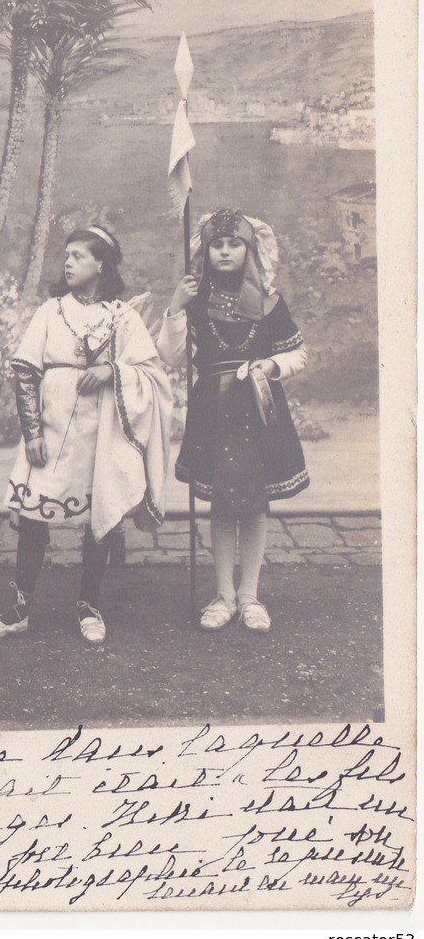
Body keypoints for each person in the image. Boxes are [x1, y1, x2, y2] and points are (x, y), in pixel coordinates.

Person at [0, 225, 173, 646]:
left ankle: (88, 605)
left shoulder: (121, 316)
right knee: (33, 518)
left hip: (99, 435)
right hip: (51, 427)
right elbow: (25, 372)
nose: (68, 262)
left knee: (97, 519)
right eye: (67, 255)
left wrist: (112, 370)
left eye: (79, 255)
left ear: (102, 263)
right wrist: (31, 432)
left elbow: (151, 373)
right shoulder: (51, 311)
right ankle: (19, 609)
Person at [157, 207, 308, 633]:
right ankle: (223, 596)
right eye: (216, 245)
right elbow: (170, 356)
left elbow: (298, 353)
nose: (224, 252)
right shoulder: (197, 303)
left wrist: (270, 367)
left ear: (250, 248)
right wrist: (175, 306)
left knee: (255, 505)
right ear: (205, 252)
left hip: (258, 408)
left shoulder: (269, 302)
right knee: (222, 505)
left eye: (234, 244)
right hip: (212, 411)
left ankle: (250, 597)